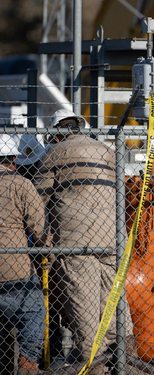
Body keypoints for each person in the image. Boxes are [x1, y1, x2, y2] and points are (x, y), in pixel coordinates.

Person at [33, 109, 135, 368]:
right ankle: (130, 364)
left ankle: (94, 366)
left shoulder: (56, 153)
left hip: (79, 243)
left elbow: (38, 199)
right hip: (113, 238)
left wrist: (39, 239)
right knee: (115, 307)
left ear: (55, 134)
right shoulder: (106, 150)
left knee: (85, 313)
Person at [0, 133, 49, 375]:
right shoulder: (21, 184)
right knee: (33, 314)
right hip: (14, 269)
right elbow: (40, 229)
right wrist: (45, 248)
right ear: (13, 159)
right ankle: (28, 364)